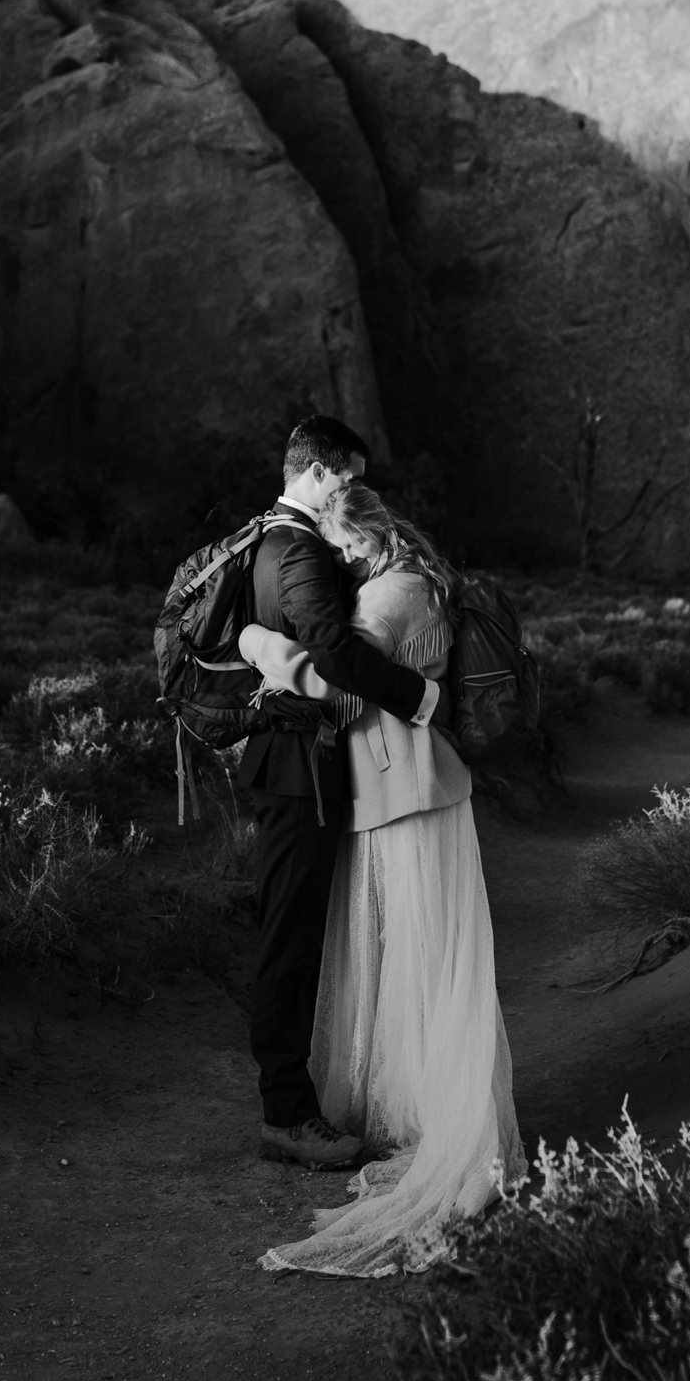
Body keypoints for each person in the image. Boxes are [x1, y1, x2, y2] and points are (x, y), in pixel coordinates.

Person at [239, 481, 525, 1276]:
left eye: (337, 554)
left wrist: (258, 645)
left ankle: (443, 1122)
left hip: (406, 796)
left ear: (357, 544)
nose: (333, 569)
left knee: (419, 955)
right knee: (427, 956)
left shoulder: (390, 595)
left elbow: (337, 680)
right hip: (424, 790)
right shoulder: (421, 580)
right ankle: (431, 1105)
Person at [239, 416, 442, 1173]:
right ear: (320, 474)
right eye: (350, 479)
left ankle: (297, 1101)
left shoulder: (268, 538)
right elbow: (332, 649)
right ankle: (286, 1115)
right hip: (296, 766)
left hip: (292, 761)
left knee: (293, 936)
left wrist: (258, 648)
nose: (357, 493)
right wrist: (421, 698)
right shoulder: (297, 548)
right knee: (288, 940)